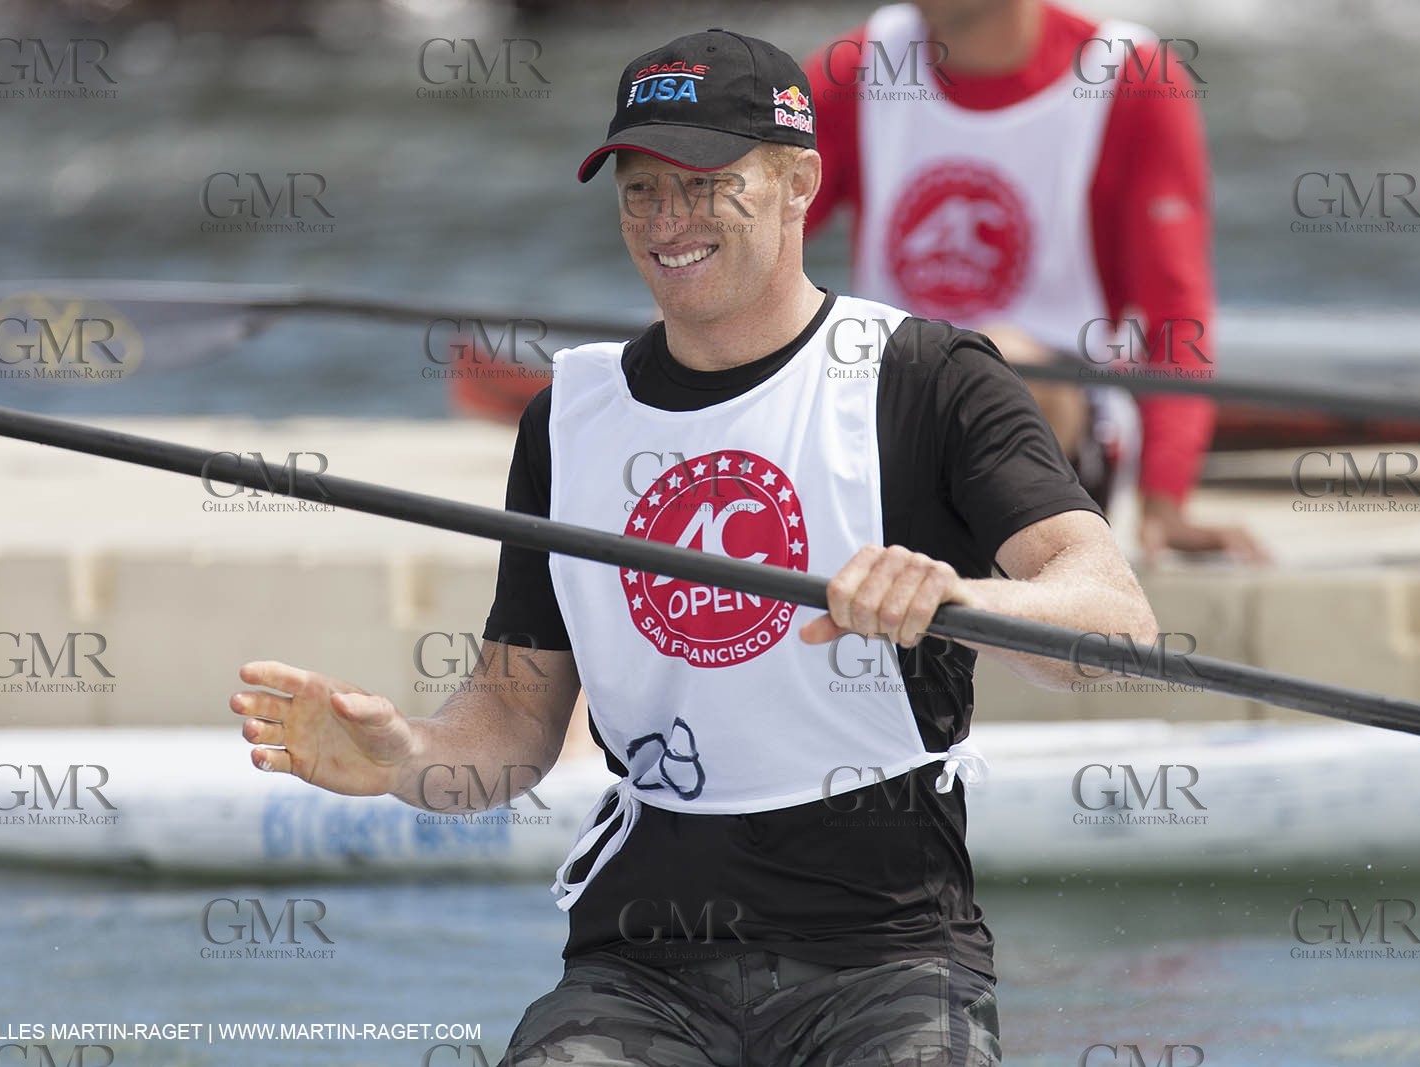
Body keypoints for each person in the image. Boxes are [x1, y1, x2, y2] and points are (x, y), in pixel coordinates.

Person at [231, 29, 1157, 1067]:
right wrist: (408, 755)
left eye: (706, 185)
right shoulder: (566, 417)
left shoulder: (934, 379)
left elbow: (1115, 622)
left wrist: (963, 599)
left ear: (801, 180)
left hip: (886, 960)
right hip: (638, 969)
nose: (666, 222)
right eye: (640, 191)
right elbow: (513, 720)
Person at [803, 0, 1268, 564]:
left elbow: (1174, 309)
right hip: (889, 392)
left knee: (991, 360)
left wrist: (1165, 496)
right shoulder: (859, 66)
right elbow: (763, 235)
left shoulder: (1130, 78)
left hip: (1064, 415)